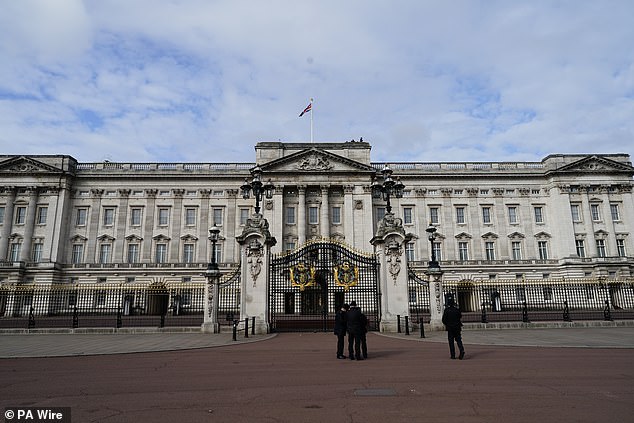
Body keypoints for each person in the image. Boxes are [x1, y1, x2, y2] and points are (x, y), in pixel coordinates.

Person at [442, 295, 465, 360]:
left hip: (450, 328)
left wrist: (447, 324)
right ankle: (461, 350)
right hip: (457, 327)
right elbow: (460, 316)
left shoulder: (447, 310)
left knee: (451, 341)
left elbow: (443, 320)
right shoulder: (457, 310)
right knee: (458, 340)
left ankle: (453, 355)